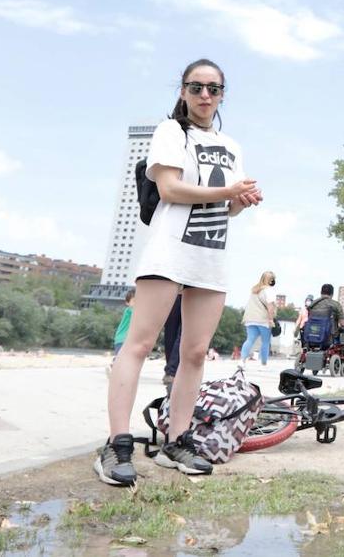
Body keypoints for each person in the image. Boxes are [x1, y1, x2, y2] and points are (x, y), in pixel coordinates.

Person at [98, 58, 262, 487]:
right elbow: (170, 189)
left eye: (214, 88)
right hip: (170, 253)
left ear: (223, 94)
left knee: (193, 354)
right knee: (139, 344)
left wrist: (239, 202)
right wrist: (228, 191)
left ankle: (178, 440)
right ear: (183, 92)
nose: (205, 95)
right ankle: (116, 444)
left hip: (210, 257)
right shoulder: (171, 132)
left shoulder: (232, 145)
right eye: (196, 87)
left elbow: (223, 208)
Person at [240, 271, 277, 367]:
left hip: (250, 318)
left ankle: (242, 361)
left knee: (249, 340)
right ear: (271, 280)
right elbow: (270, 307)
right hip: (263, 320)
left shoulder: (254, 289)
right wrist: (271, 319)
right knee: (265, 341)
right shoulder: (269, 290)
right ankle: (263, 364)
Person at [112, 289, 135, 359]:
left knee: (126, 359)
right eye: (135, 301)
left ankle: (115, 365)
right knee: (120, 357)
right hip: (122, 338)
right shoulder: (129, 310)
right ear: (127, 303)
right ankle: (114, 365)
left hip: (128, 339)